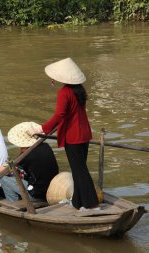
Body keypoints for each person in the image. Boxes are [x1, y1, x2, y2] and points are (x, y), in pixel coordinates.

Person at [28, 57, 100, 211]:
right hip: (84, 134)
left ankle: (91, 204)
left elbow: (60, 115)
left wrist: (41, 128)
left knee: (80, 170)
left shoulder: (64, 92)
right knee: (79, 168)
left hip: (73, 136)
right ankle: (77, 202)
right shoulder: (79, 89)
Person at [0, 122, 59, 202]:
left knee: (3, 178)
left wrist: (2, 168)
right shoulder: (46, 146)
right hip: (50, 190)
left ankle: (13, 203)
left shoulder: (26, 155)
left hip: (37, 194)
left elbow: (3, 171)